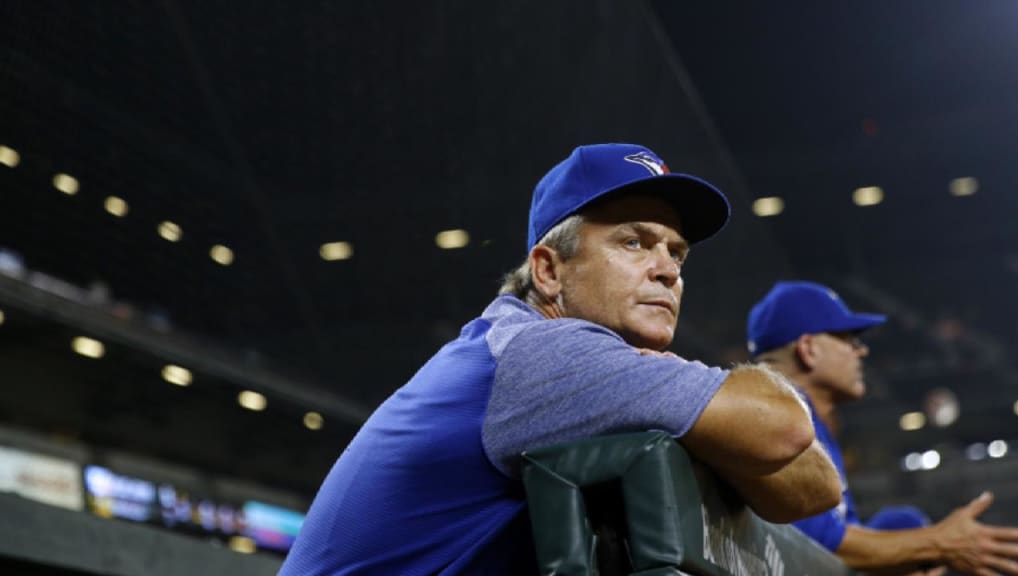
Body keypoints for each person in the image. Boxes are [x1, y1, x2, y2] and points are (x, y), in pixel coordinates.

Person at [279, 144, 842, 575]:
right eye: (633, 242)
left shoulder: (592, 372)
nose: (668, 268)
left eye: (676, 252)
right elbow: (784, 426)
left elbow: (814, 488)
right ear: (548, 271)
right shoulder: (541, 353)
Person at [748, 280, 1018, 575]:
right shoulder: (781, 421)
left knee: (904, 522)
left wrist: (921, 543)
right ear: (808, 348)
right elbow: (819, 542)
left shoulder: (811, 424)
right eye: (850, 340)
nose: (862, 351)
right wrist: (938, 542)